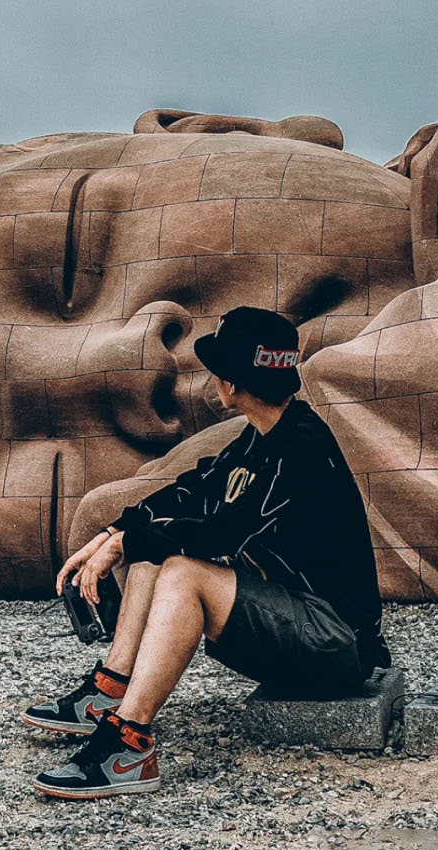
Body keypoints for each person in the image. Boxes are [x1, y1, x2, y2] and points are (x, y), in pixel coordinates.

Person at [22, 305, 391, 799]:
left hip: (337, 647)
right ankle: (110, 691)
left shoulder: (302, 447)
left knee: (181, 571)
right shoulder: (262, 437)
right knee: (158, 556)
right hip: (301, 626)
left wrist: (126, 545)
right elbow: (193, 488)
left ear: (233, 382)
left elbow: (223, 533)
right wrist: (117, 532)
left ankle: (129, 743)